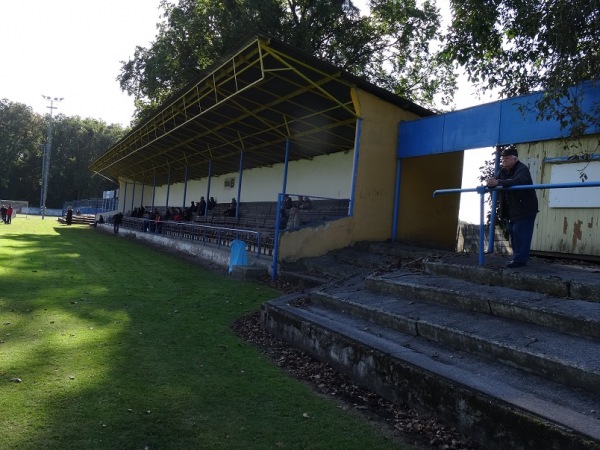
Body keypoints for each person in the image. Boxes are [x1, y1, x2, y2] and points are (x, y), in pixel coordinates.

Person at [487, 145, 538, 268]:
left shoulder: (522, 169)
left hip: (525, 209)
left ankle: (519, 260)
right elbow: (495, 181)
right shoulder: (503, 170)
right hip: (512, 210)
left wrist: (498, 182)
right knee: (514, 234)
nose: (504, 161)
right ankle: (517, 259)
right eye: (503, 159)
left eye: (507, 158)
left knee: (521, 234)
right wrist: (490, 183)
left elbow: (519, 181)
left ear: (515, 159)